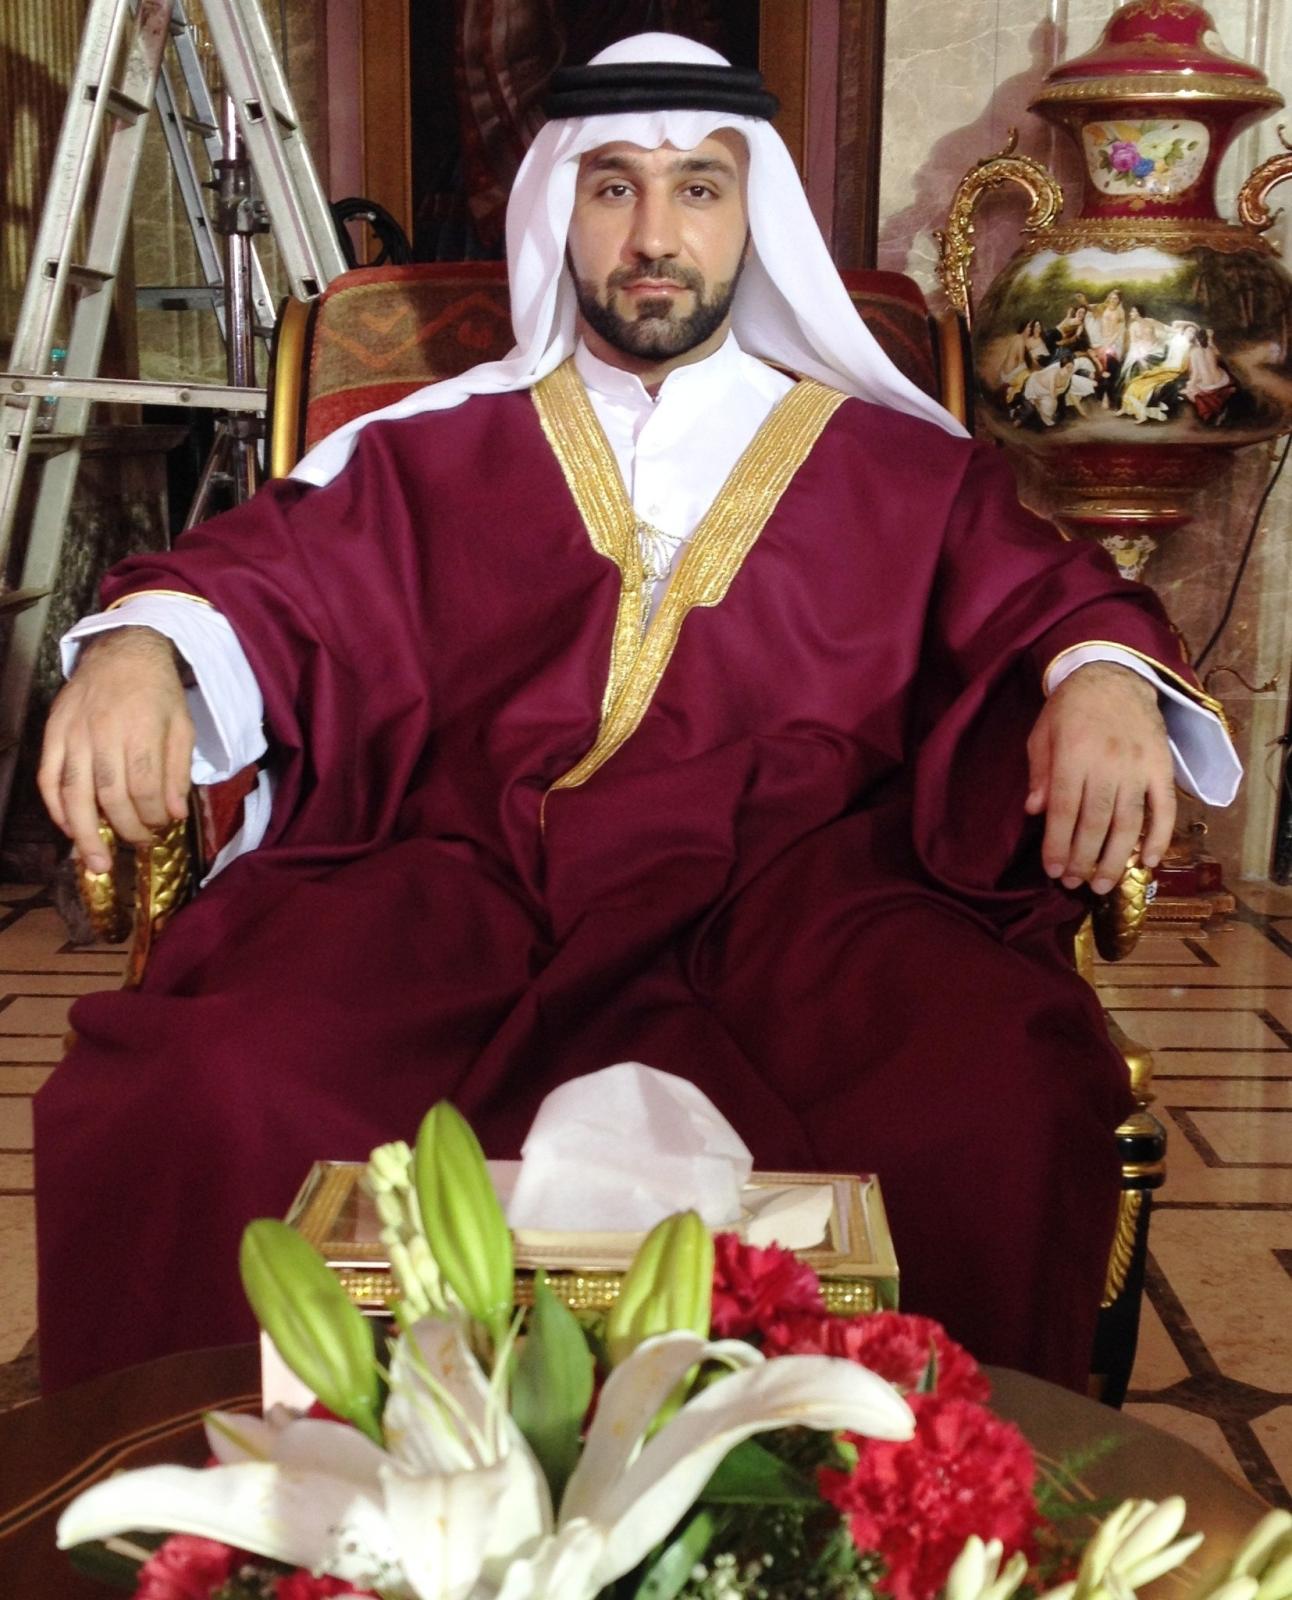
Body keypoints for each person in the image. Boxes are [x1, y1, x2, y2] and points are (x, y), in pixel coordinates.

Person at [34, 34, 1239, 1394]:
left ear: (753, 217)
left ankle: (926, 1497)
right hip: (455, 881)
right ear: (561, 209)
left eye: (699, 189)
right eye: (614, 187)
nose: (655, 235)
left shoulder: (903, 468)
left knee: (993, 1098)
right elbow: (252, 584)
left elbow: (1054, 601)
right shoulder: (421, 457)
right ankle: (233, 1496)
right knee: (208, 1087)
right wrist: (140, 645)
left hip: (810, 897)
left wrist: (1100, 677)